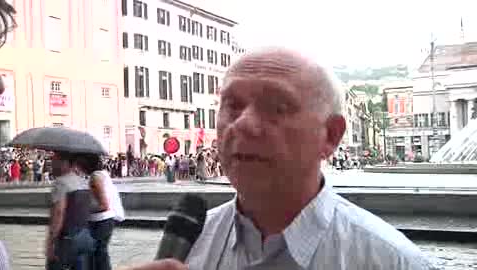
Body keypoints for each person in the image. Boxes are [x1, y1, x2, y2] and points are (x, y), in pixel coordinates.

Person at [131, 47, 439, 270]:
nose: (242, 123)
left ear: (330, 135)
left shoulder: (392, 261)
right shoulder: (191, 245)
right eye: (232, 105)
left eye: (277, 107)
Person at [45, 151, 95, 270]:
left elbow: (59, 213)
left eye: (55, 161)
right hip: (85, 236)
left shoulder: (60, 183)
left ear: (65, 163)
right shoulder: (83, 182)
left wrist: (51, 242)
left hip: (67, 238)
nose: (52, 164)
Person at [83, 154, 125, 270]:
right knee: (99, 252)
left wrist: (85, 210)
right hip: (105, 220)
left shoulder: (95, 177)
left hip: (100, 220)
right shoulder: (103, 174)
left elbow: (103, 205)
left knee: (98, 253)